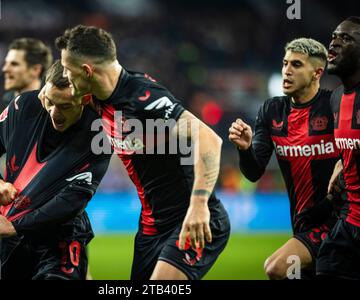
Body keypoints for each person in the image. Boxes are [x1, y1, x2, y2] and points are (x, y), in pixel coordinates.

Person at [46, 25, 230, 280]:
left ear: (87, 71)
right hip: (150, 229)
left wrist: (198, 206)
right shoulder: (95, 97)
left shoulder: (142, 97)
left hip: (191, 219)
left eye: (67, 68)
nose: (65, 74)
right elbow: (52, 95)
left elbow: (209, 139)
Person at [0, 60, 110, 279]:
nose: (55, 113)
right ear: (43, 92)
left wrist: (16, 225)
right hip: (10, 236)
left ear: (84, 99)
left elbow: (72, 201)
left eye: (65, 106)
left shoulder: (98, 134)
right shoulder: (24, 106)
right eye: (51, 102)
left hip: (59, 237)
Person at [228, 38, 340, 279]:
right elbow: (254, 171)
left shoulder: (334, 105)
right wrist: (245, 149)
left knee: (277, 268)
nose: (287, 71)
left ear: (317, 73)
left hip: (338, 219)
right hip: (301, 223)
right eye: (285, 63)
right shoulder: (272, 110)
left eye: (297, 65)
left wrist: (341, 166)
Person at [316, 16, 360, 279]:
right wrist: (340, 164)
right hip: (348, 226)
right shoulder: (336, 98)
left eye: (346, 38)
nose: (334, 43)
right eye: (334, 36)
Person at [1, 38, 53, 105]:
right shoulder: (7, 101)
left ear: (35, 70)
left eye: (14, 64)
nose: (5, 69)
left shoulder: (48, 106)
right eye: (6, 63)